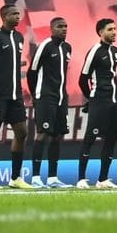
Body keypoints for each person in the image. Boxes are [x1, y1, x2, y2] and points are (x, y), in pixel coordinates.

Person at [0, 4, 31, 188]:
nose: (18, 17)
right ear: (4, 16)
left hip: (15, 95)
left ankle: (15, 178)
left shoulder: (19, 37)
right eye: (14, 14)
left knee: (22, 132)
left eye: (18, 14)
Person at [77, 17, 117, 189]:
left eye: (115, 29)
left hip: (114, 102)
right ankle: (81, 178)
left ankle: (102, 179)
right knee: (90, 137)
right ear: (101, 32)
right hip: (99, 101)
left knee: (112, 138)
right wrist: (92, 98)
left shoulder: (116, 51)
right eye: (110, 29)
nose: (114, 32)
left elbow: (112, 76)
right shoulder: (95, 51)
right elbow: (83, 79)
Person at [26, 17, 72, 188]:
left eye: (66, 26)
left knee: (57, 136)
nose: (64, 29)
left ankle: (53, 178)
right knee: (43, 134)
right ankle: (36, 177)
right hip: (45, 97)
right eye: (60, 26)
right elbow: (32, 71)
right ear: (51, 29)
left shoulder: (67, 48)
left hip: (61, 98)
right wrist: (36, 95)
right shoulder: (45, 46)